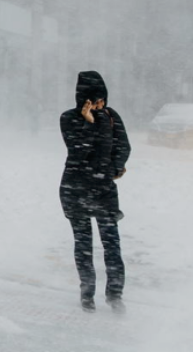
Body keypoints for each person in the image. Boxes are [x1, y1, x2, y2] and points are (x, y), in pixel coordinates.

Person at [59, 71, 131, 313]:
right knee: (84, 244)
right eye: (95, 100)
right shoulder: (68, 118)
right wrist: (88, 123)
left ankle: (115, 295)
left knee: (112, 244)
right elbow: (77, 150)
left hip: (103, 189)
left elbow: (123, 146)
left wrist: (112, 169)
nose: (101, 105)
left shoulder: (112, 117)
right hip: (75, 188)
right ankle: (87, 293)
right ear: (83, 100)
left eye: (103, 99)